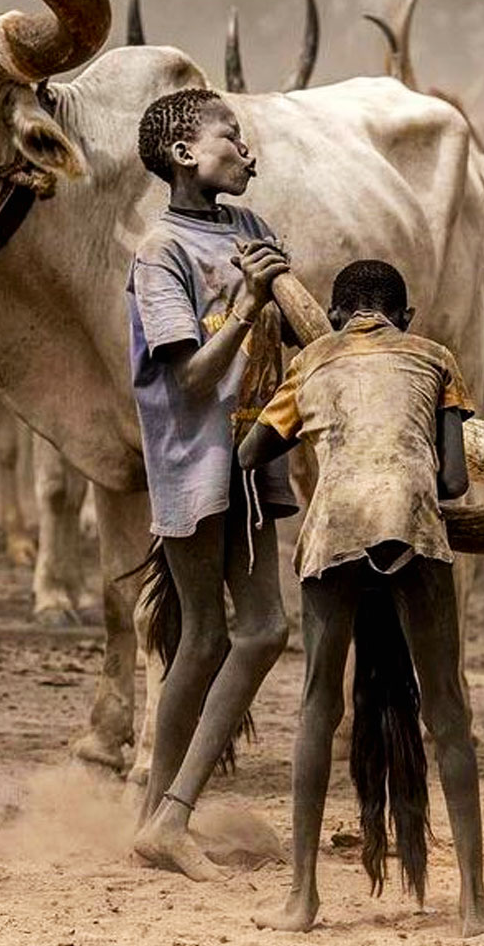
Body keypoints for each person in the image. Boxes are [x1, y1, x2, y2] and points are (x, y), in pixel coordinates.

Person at [240, 259, 484, 937]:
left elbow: (249, 453)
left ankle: (302, 897)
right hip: (412, 522)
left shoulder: (313, 361)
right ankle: (473, 903)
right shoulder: (437, 357)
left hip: (334, 531)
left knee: (317, 708)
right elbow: (454, 482)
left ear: (333, 317)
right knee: (447, 712)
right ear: (403, 318)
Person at [125, 88, 298, 881]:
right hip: (194, 460)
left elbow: (293, 330)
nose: (247, 151)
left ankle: (163, 815)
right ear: (184, 155)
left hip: (256, 457)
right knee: (210, 634)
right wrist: (252, 301)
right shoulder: (161, 250)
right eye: (232, 137)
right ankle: (167, 813)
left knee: (252, 630)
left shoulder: (253, 230)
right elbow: (189, 380)